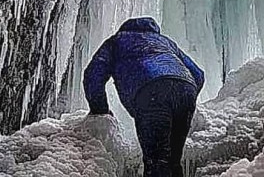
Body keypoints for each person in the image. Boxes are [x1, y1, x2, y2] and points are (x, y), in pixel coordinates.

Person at [83, 17, 205, 177]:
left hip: (150, 90)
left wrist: (100, 110)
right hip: (186, 88)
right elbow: (198, 74)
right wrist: (184, 98)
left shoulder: (117, 41)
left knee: (156, 160)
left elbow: (93, 75)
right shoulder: (165, 42)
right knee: (173, 161)